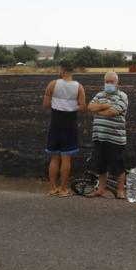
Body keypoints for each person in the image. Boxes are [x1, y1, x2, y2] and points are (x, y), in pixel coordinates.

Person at [42, 61, 85, 197]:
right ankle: (63, 189)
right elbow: (83, 107)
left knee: (54, 158)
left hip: (55, 125)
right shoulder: (79, 87)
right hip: (69, 126)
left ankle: (52, 188)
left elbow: (45, 104)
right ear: (72, 71)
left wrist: (57, 104)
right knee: (66, 158)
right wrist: (71, 108)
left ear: (62, 70)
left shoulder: (52, 84)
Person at [87, 71, 130, 198]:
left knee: (118, 166)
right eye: (107, 81)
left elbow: (112, 113)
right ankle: (100, 190)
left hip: (115, 138)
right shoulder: (99, 95)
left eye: (112, 82)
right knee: (101, 165)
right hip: (99, 137)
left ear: (117, 83)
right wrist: (106, 105)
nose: (109, 84)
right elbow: (90, 107)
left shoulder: (122, 96)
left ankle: (120, 191)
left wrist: (99, 109)